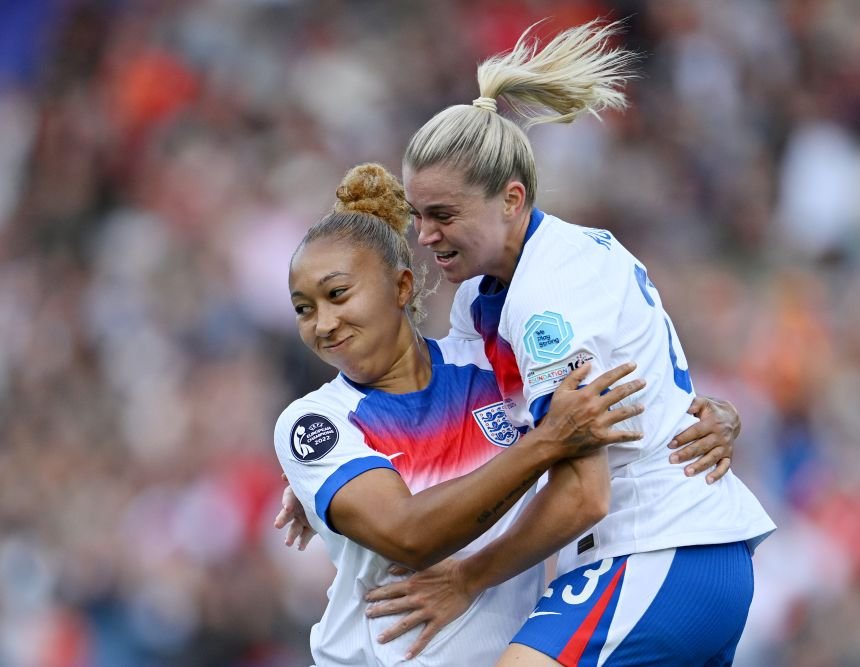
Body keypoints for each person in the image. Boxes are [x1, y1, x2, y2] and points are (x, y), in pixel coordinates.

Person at [359, 18, 776, 666]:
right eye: (418, 214)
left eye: (443, 215)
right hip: (682, 554)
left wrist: (469, 577)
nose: (425, 235)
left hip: (655, 549)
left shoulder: (544, 299)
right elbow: (443, 415)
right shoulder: (488, 292)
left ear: (511, 199)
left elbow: (585, 492)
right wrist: (322, 470)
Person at [273, 162, 743, 666]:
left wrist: (702, 413)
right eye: (304, 309)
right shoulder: (314, 423)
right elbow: (409, 535)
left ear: (402, 287)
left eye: (338, 294)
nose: (324, 323)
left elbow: (610, 367)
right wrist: (546, 442)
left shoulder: (491, 366)